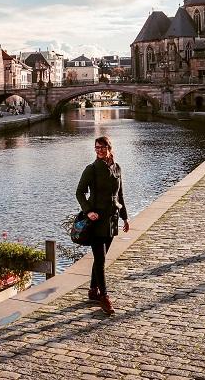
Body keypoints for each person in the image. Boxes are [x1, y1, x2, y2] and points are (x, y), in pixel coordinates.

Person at [75, 135, 129, 315]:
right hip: (96, 221)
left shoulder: (117, 168)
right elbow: (80, 192)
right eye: (96, 147)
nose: (99, 150)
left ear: (109, 148)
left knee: (102, 256)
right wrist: (88, 210)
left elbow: (120, 195)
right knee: (100, 259)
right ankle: (104, 297)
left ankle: (92, 290)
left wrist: (125, 218)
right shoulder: (91, 169)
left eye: (102, 147)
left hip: (112, 220)